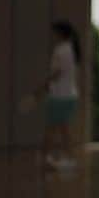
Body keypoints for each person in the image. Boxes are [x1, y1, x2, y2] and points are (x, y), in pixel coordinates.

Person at [32, 20, 81, 171]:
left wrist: (42, 86)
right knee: (61, 129)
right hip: (69, 95)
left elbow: (57, 72)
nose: (52, 35)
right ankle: (63, 158)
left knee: (53, 129)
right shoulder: (70, 49)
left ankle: (47, 158)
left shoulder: (61, 50)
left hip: (60, 96)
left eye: (54, 32)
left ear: (60, 33)